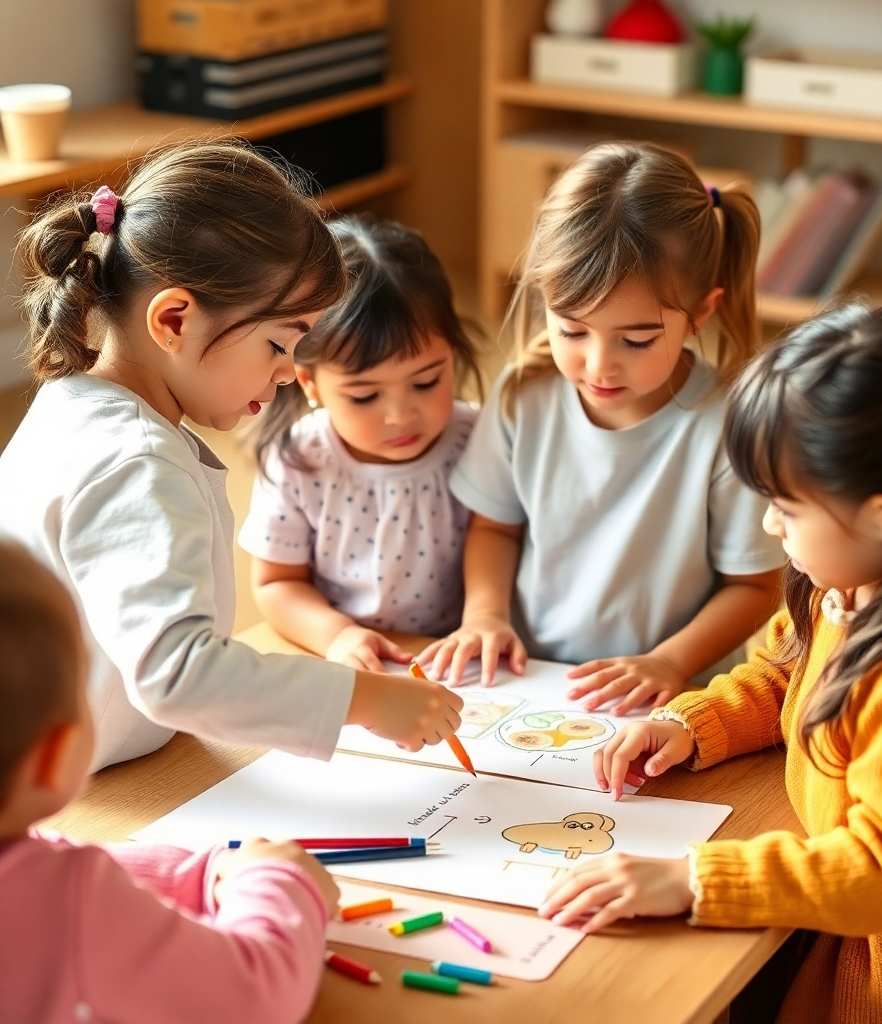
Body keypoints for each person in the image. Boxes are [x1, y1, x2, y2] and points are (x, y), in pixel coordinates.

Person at [541, 305, 882, 1024]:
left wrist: (693, 879)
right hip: (849, 919)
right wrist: (691, 722)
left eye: (785, 507)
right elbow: (784, 673)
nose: (769, 524)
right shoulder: (857, 582)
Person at [0, 140, 462, 771]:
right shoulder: (137, 463)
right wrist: (366, 699)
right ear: (174, 321)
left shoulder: (70, 405)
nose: (285, 375)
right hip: (63, 788)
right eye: (278, 343)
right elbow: (177, 674)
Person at [424, 142, 784, 710]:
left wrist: (670, 661)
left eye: (636, 340)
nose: (598, 365)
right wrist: (485, 616)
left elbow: (755, 586)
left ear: (701, 314)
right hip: (535, 680)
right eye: (572, 331)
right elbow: (494, 528)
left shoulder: (725, 424)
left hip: (673, 693)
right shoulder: (525, 393)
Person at [0, 540, 342, 1024]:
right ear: (55, 755)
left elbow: (50, 858)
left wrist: (201, 873)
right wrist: (280, 882)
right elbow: (258, 995)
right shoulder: (67, 906)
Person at [240, 214, 482, 671]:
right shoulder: (299, 459)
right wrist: (338, 636)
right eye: (366, 395)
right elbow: (276, 584)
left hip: (456, 663)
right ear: (309, 382)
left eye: (427, 381)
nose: (400, 414)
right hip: (356, 664)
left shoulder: (479, 438)